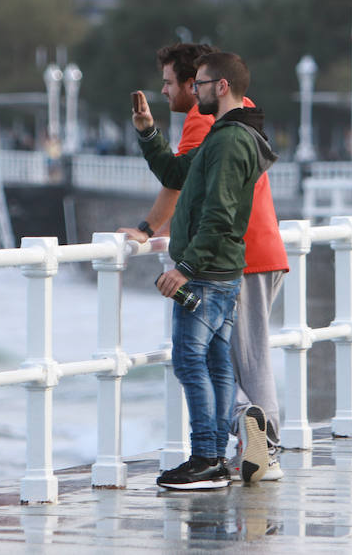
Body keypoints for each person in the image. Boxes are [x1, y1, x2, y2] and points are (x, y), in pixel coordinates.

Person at [120, 43, 288, 482]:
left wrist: (183, 265)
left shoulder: (225, 136)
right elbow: (180, 176)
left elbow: (219, 211)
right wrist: (147, 132)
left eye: (199, 84)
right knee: (220, 363)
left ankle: (245, 455)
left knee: (203, 361)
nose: (192, 92)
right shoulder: (225, 128)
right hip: (232, 263)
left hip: (218, 268)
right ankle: (222, 454)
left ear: (220, 85)